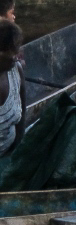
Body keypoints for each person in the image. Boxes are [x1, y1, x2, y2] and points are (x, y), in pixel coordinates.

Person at [0, 20, 24, 157]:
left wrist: (18, 152)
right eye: (10, 54)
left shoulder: (16, 70)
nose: (15, 59)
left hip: (9, 151)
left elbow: (22, 118)